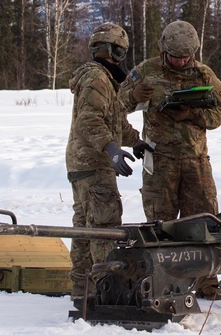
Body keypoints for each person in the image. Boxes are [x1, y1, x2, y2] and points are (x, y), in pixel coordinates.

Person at [119, 20, 221, 300]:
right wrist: (133, 95)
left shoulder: (204, 74)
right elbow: (115, 104)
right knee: (160, 224)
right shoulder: (145, 71)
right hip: (160, 161)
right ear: (164, 50)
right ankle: (163, 279)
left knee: (205, 221)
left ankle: (207, 281)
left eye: (185, 57)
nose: (181, 63)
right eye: (175, 57)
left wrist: (191, 114)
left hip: (195, 161)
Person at [65, 22, 154, 302]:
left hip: (83, 164)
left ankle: (82, 292)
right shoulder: (98, 78)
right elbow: (89, 120)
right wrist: (111, 149)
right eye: (119, 52)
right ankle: (107, 292)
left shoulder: (101, 77)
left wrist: (135, 140)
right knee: (104, 228)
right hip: (94, 165)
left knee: (84, 230)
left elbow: (112, 120)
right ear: (115, 51)